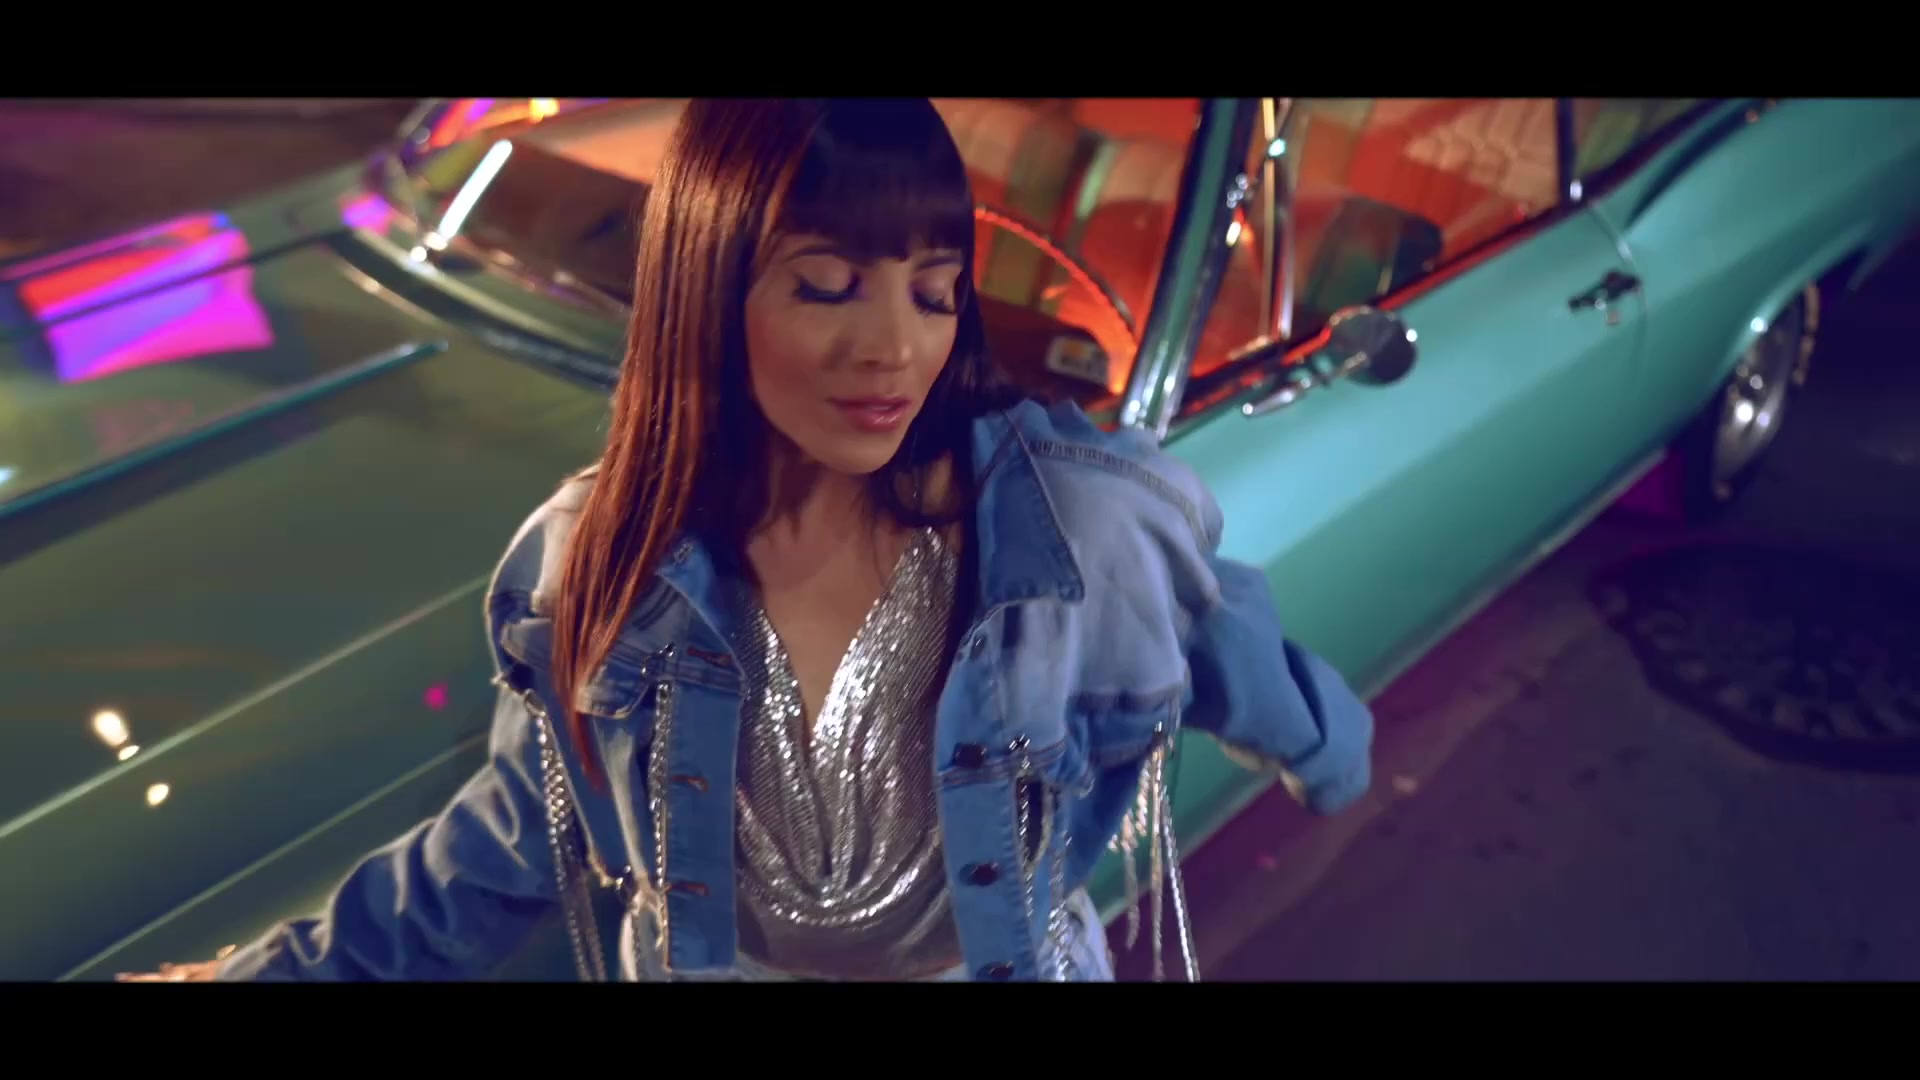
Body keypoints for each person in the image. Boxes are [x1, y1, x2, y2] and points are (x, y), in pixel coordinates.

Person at [119, 97, 1373, 984]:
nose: (893, 348)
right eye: (825, 286)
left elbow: (1246, 661)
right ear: (711, 290)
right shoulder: (591, 558)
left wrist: (1326, 752)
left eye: (935, 291)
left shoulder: (1087, 527)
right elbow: (521, 828)